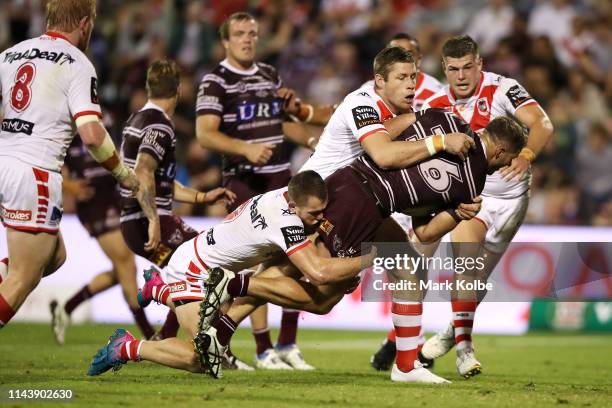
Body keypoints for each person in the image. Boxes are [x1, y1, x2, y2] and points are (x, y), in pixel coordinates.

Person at [194, 111, 526, 383]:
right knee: (323, 292)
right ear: (500, 152)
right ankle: (235, 284)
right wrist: (456, 211)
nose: (505, 166)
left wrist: (448, 206)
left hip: (352, 180)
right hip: (364, 205)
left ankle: (406, 365)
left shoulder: (444, 117)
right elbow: (425, 232)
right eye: (508, 160)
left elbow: (392, 131)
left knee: (406, 266)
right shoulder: (473, 180)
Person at [86, 171, 376, 378]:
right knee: (201, 359)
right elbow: (318, 272)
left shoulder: (285, 199)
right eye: (314, 214)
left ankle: (159, 290)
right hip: (193, 271)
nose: (319, 219)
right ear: (293, 205)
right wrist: (369, 259)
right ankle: (127, 347)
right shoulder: (285, 220)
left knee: (271, 279)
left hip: (205, 260)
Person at [195, 12, 332, 370]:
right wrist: (245, 149)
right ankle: (261, 348)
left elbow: (284, 125)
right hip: (245, 181)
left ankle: (286, 342)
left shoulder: (269, 75)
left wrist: (316, 141)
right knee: (256, 262)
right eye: (239, 34)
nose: (247, 39)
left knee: (291, 259)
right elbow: (205, 133)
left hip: (281, 181)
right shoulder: (215, 81)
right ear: (225, 41)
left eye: (252, 33)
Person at [413, 35, 553, 378]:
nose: (460, 76)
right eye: (453, 69)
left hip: (513, 200)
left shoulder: (504, 89)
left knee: (475, 283)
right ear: (444, 68)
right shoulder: (433, 102)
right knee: (466, 269)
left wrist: (526, 153)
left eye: (467, 68)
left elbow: (542, 123)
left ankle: (451, 332)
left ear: (480, 65)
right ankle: (465, 350)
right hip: (472, 198)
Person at [0, 0, 139, 330]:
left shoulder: (10, 54)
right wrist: (122, 173)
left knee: (55, 255)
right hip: (34, 172)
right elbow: (91, 134)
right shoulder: (77, 63)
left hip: (4, 161)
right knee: (23, 278)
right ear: (85, 22)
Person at [119, 59, 235, 341]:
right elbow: (144, 170)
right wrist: (154, 221)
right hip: (148, 220)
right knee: (211, 270)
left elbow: (159, 181)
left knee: (190, 276)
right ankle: (158, 294)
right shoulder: (160, 125)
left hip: (133, 221)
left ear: (149, 88)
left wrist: (201, 196)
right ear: (179, 90)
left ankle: (164, 337)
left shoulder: (136, 119)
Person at [49, 137, 155, 343]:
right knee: (126, 264)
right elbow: (47, 166)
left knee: (120, 272)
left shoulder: (100, 120)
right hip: (93, 205)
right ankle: (149, 335)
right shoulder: (66, 129)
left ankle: (65, 309)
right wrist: (70, 186)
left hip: (113, 198)